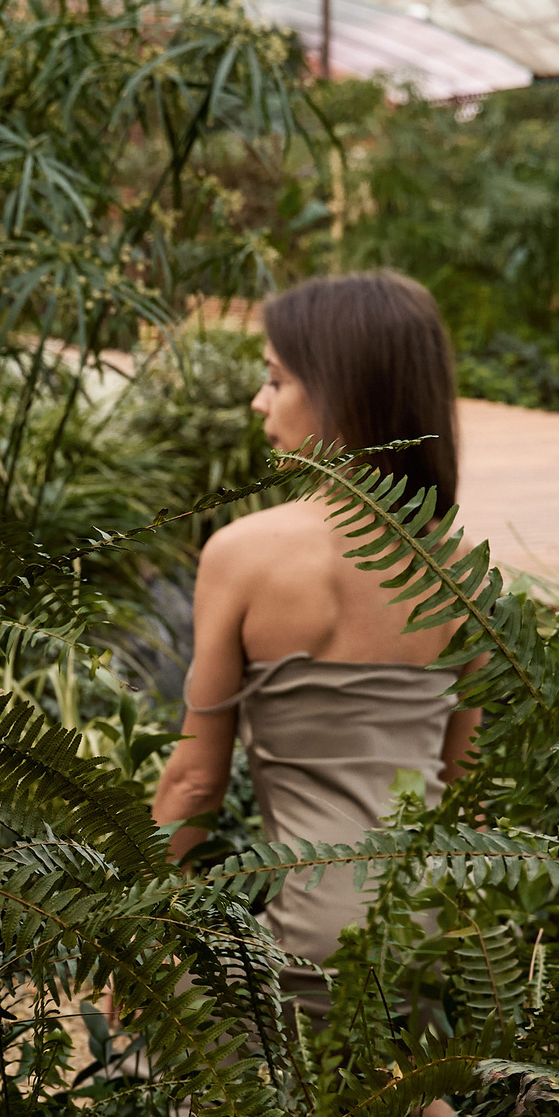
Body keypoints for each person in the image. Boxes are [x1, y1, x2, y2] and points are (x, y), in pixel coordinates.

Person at [149, 270, 479, 1012]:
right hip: (428, 938)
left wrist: (141, 935)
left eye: (275, 378)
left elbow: (195, 783)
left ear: (340, 392)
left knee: (161, 1072)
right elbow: (466, 791)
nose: (258, 401)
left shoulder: (245, 554)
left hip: (304, 942)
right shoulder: (462, 573)